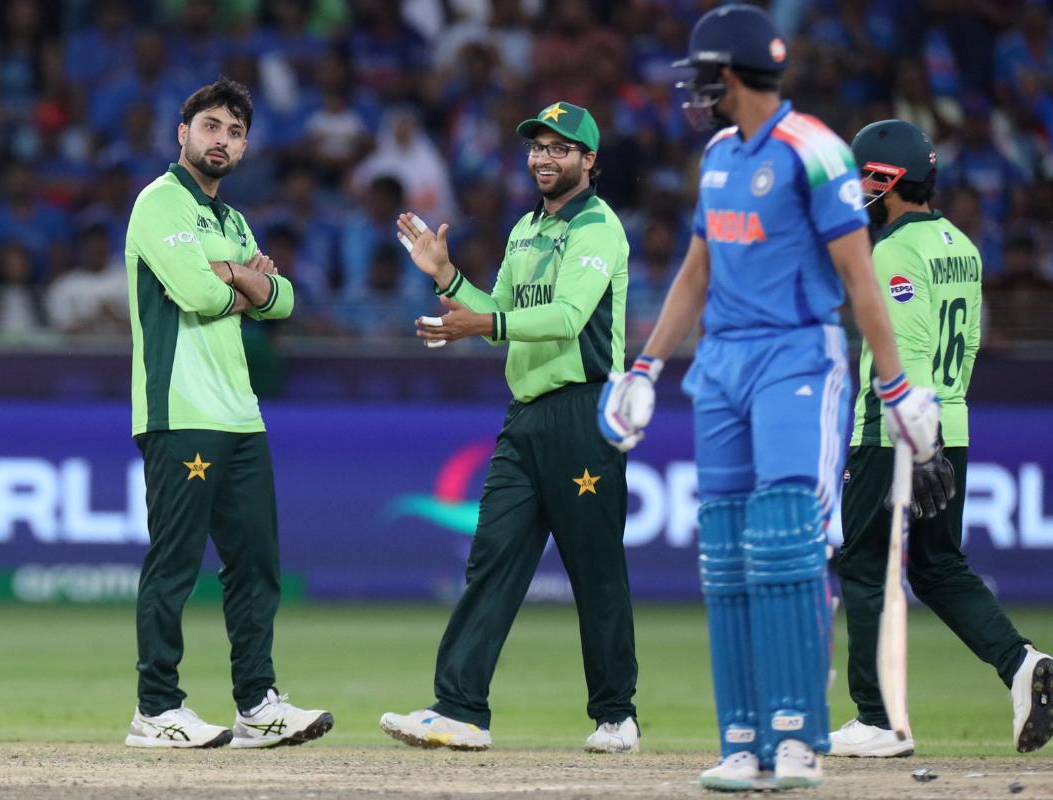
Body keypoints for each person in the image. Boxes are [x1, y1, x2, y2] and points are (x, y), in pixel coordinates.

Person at [597, 6, 942, 791]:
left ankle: (796, 739)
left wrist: (895, 387)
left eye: (702, 78)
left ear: (730, 73)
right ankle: (743, 740)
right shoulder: (718, 153)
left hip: (797, 358)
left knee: (785, 540)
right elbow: (696, 270)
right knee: (723, 554)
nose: (695, 93)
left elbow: (859, 277)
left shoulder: (814, 152)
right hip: (719, 363)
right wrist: (646, 369)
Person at [381, 101, 640, 754]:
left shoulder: (599, 227)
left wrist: (483, 324)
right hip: (525, 418)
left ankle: (617, 715)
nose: (544, 159)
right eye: (537, 148)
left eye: (560, 149)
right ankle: (460, 709)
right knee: (491, 560)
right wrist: (447, 278)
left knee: (595, 570)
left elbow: (566, 318)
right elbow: (498, 309)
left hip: (585, 415)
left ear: (589, 161)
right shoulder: (526, 229)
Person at [829, 118, 1053, 758]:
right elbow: (971, 341)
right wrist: (937, 433)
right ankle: (1020, 665)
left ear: (886, 179)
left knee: (866, 566)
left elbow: (909, 348)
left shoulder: (892, 252)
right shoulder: (961, 244)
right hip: (950, 421)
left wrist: (916, 442)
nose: (856, 190)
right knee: (936, 563)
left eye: (862, 178)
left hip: (895, 430)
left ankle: (877, 719)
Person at [122, 77, 333, 749]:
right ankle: (156, 708)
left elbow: (286, 302)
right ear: (183, 134)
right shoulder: (160, 204)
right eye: (211, 126)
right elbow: (195, 294)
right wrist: (247, 278)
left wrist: (238, 278)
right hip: (180, 410)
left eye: (235, 131)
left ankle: (257, 706)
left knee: (255, 564)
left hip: (240, 414)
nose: (223, 140)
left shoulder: (231, 220)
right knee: (176, 563)